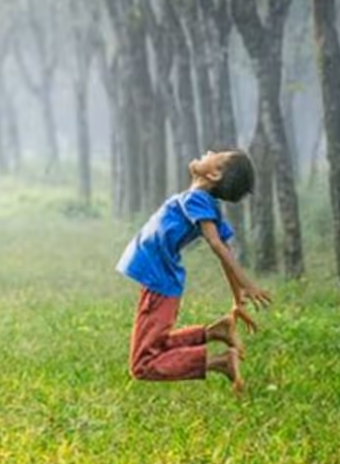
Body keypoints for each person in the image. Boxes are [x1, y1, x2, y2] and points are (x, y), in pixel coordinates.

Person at [116, 148, 271, 393]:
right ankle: (215, 332)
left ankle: (219, 363)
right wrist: (237, 299)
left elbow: (217, 245)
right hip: (161, 281)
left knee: (143, 365)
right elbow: (224, 249)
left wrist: (246, 283)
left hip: (159, 282)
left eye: (216, 154)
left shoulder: (197, 200)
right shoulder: (202, 202)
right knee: (157, 343)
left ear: (215, 174)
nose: (208, 151)